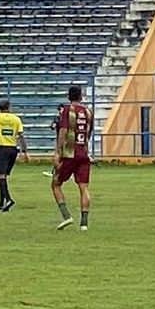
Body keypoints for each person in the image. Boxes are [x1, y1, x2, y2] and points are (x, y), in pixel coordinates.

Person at [52, 86, 93, 230]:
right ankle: (84, 224)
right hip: (84, 153)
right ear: (81, 96)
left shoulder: (66, 110)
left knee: (56, 183)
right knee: (83, 187)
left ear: (68, 96)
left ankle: (66, 216)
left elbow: (63, 130)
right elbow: (89, 132)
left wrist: (57, 152)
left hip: (69, 154)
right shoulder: (88, 111)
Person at [43, 103, 66, 178]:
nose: (60, 111)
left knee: (62, 155)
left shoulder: (67, 118)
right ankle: (55, 170)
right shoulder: (58, 118)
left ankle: (57, 171)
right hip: (60, 138)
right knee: (60, 155)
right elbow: (53, 126)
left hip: (66, 139)